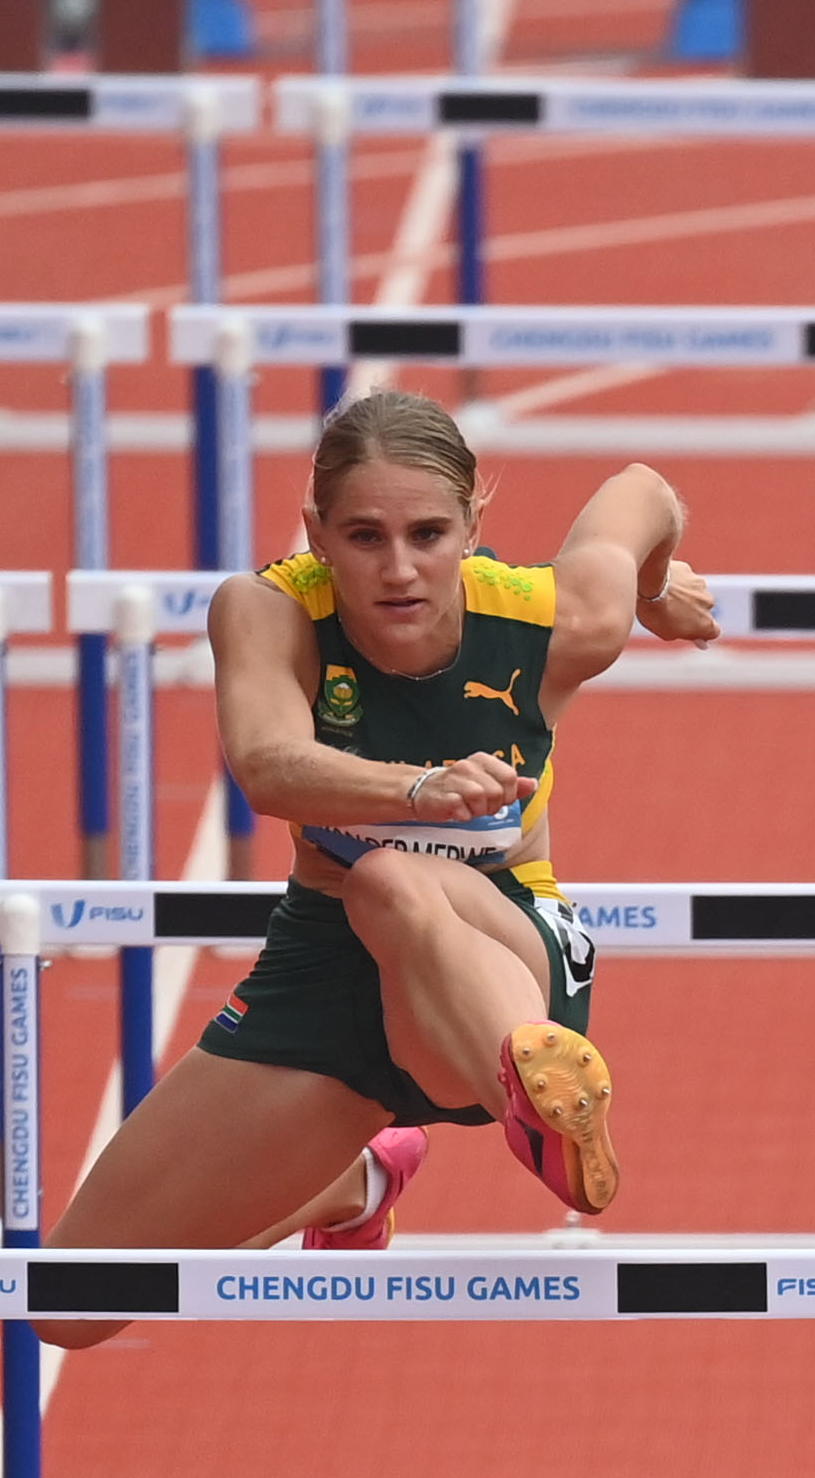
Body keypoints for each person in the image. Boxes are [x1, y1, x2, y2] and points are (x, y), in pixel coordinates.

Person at [41, 391, 718, 1348]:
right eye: (363, 536)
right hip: (328, 966)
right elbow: (269, 764)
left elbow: (643, 489)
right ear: (316, 532)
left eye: (429, 533)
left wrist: (649, 590)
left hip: (503, 944)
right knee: (68, 1306)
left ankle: (536, 1096)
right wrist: (418, 788)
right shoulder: (269, 609)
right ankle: (362, 1174)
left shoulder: (556, 616)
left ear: (475, 522)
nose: (399, 568)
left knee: (391, 880)